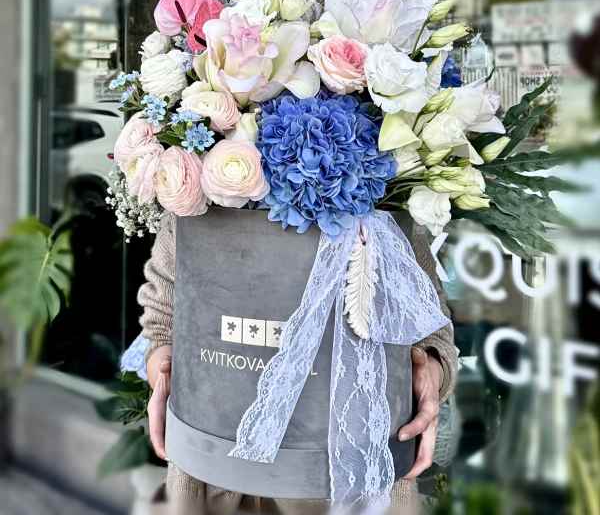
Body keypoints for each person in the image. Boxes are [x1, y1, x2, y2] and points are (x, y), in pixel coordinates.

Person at [139, 214, 458, 514]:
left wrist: (430, 372)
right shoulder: (193, 196)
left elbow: (431, 327)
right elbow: (162, 323)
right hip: (210, 482)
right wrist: (164, 372)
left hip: (352, 484)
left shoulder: (388, 195)